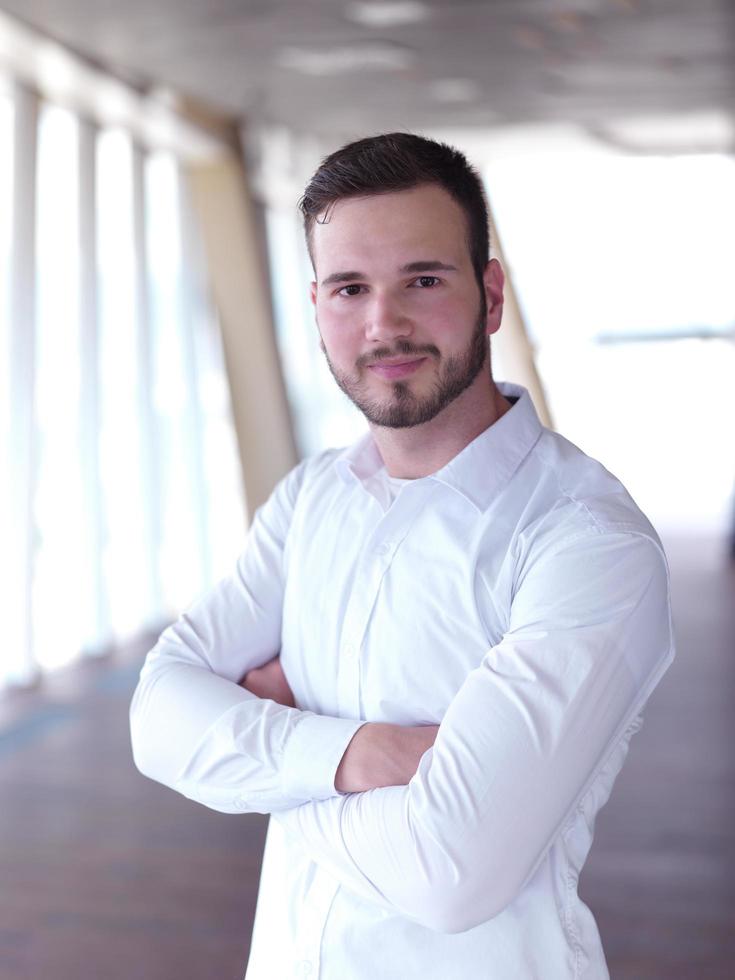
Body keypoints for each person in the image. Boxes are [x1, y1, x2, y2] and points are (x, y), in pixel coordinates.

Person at [130, 132, 674, 979]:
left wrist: (252, 758)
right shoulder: (312, 498)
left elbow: (448, 870)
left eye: (423, 279)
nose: (384, 323)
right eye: (350, 288)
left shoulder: (585, 542)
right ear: (316, 308)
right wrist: (357, 757)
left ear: (490, 295)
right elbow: (155, 718)